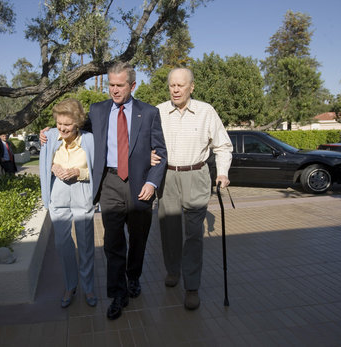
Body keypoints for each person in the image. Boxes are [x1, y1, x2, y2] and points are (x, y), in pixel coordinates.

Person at [40, 62, 167, 320]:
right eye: (111, 84)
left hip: (139, 184)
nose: (114, 90)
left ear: (133, 85)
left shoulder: (149, 112)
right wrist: (49, 133)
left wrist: (152, 182)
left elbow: (161, 152)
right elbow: (73, 126)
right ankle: (117, 294)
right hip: (109, 183)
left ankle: (133, 277)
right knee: (112, 242)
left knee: (139, 237)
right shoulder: (98, 111)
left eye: (120, 85)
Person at [154, 67, 233, 310]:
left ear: (191, 87)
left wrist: (222, 173)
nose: (175, 89)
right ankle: (172, 270)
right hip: (167, 177)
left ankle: (192, 287)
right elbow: (146, 143)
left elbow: (223, 145)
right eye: (172, 85)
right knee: (168, 229)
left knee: (193, 235)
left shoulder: (206, 111)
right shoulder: (158, 111)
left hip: (197, 175)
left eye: (181, 85)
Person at [38, 98, 97, 308]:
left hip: (82, 190)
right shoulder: (50, 136)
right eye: (59, 123)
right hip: (58, 192)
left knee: (85, 243)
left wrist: (78, 172)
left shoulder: (90, 139)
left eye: (67, 124)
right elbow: (44, 163)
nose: (62, 128)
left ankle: (88, 287)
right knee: (62, 244)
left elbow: (97, 170)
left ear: (78, 123)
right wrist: (54, 167)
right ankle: (71, 285)